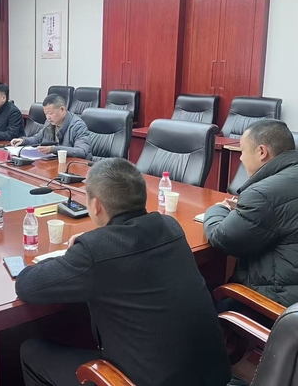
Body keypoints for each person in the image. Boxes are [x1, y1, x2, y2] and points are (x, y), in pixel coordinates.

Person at [16, 158, 230, 386]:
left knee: (31, 352)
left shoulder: (94, 251)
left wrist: (81, 252)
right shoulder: (170, 226)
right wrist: (93, 244)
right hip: (212, 377)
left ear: (96, 205)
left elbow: (26, 286)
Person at [204, 120, 298, 308]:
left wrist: (218, 209)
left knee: (190, 300)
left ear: (262, 152)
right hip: (290, 294)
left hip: (273, 304)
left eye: (243, 151)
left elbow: (221, 238)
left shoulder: (263, 194)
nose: (240, 158)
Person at [11, 94, 92, 159]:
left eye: (50, 113)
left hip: (74, 166)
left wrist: (53, 149)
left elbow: (82, 151)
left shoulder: (78, 126)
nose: (48, 117)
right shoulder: (50, 122)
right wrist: (23, 141)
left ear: (62, 109)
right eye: (45, 114)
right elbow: (37, 139)